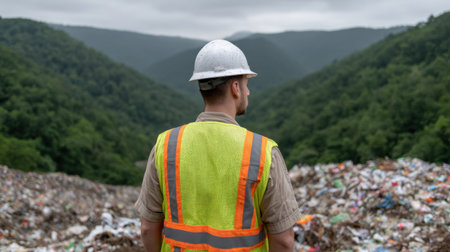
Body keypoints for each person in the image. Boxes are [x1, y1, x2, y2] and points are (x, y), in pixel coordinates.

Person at [135, 39, 300, 252]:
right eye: (246, 85)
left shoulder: (166, 145)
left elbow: (148, 228)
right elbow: (284, 240)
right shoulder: (262, 152)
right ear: (235, 88)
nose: (248, 92)